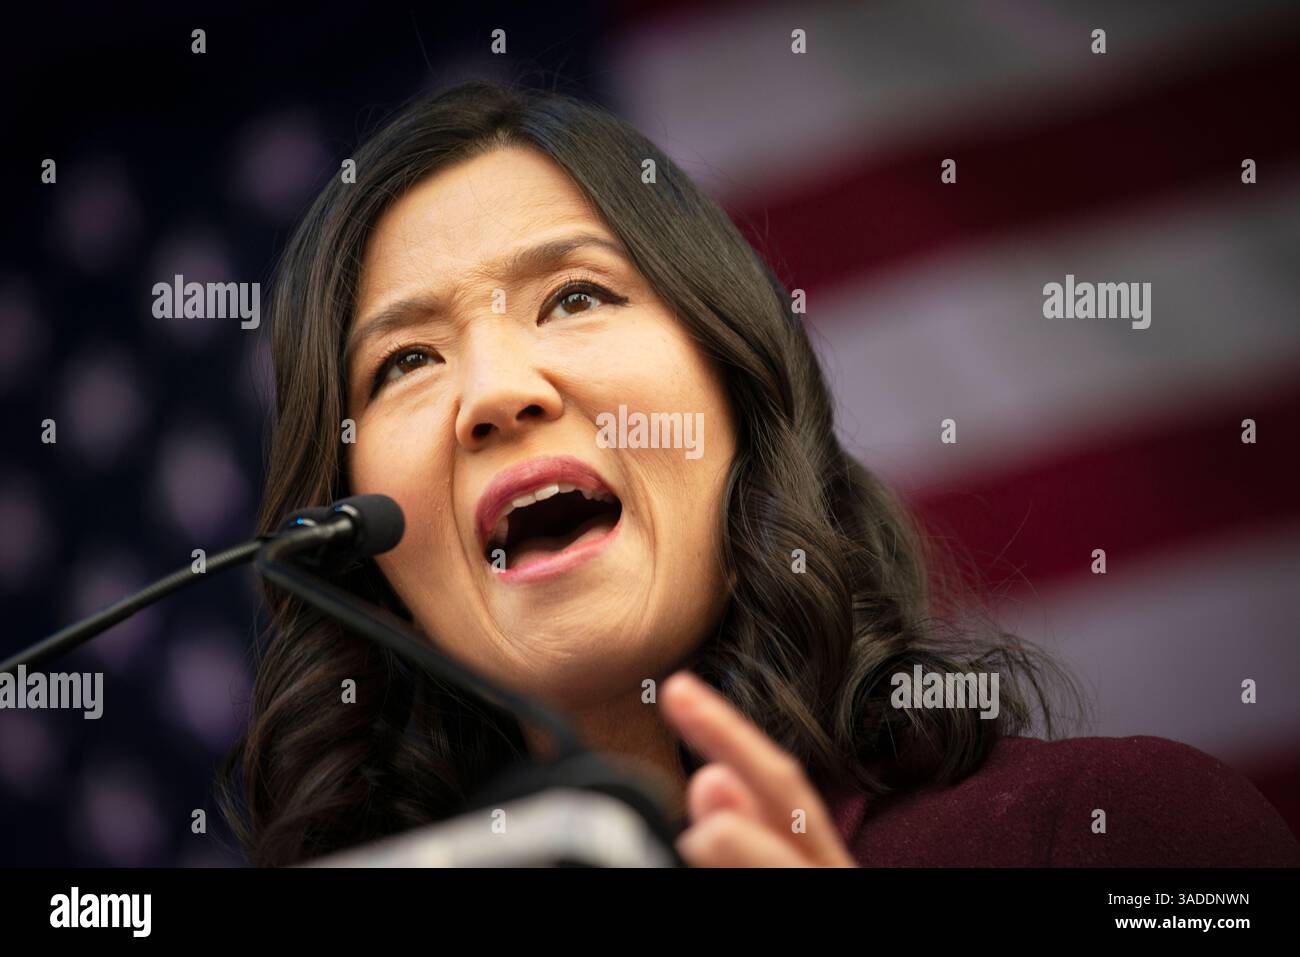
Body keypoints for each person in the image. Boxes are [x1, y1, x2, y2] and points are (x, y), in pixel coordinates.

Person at [218, 79, 1298, 868]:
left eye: (577, 296)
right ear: (354, 542)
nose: (495, 392)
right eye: (406, 361)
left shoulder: (1124, 831)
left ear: (741, 397)